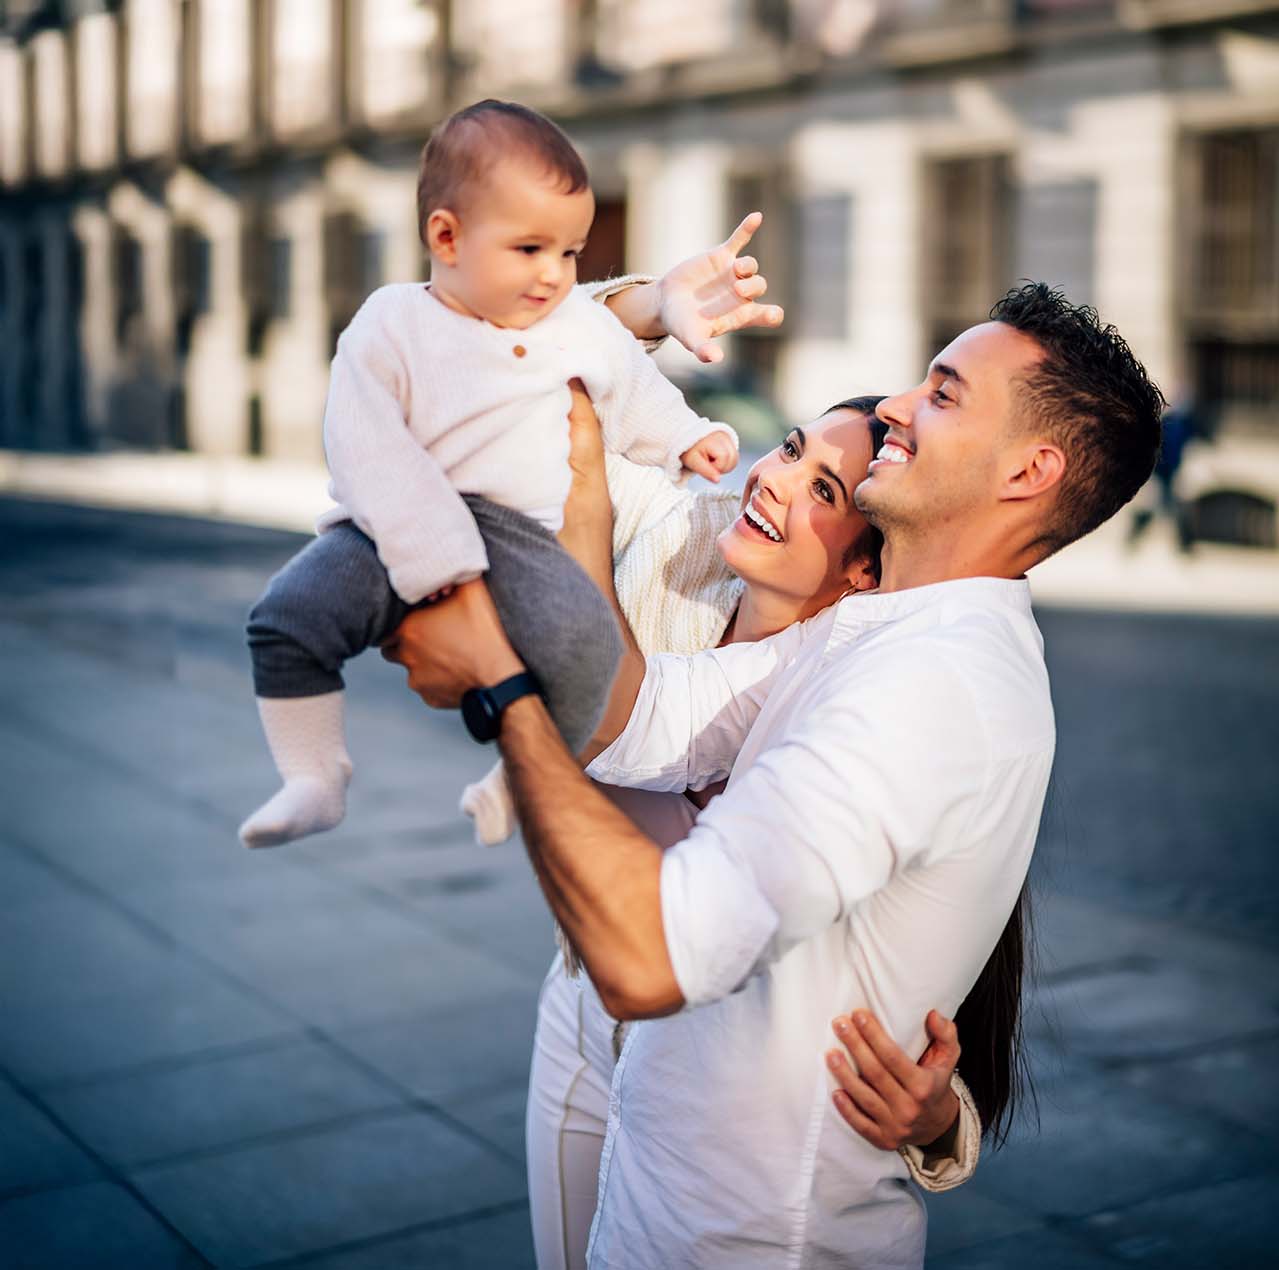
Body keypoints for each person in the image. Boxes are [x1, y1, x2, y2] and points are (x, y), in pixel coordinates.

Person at [385, 280, 1164, 1266]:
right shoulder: (871, 634)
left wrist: (498, 682)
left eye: (943, 392)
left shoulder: (930, 687)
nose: (893, 405)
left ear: (1028, 470)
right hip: (665, 1199)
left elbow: (650, 955)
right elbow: (635, 718)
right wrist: (586, 450)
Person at [514, 392, 984, 1269]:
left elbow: (908, 974)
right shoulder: (680, 546)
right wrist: (652, 307)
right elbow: (540, 383)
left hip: (720, 1116)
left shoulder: (864, 707)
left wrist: (941, 1119)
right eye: (790, 449)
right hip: (584, 1022)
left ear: (865, 571)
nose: (770, 481)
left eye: (824, 490)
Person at [238, 99, 740, 850]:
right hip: (391, 525)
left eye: (569, 254)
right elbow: (363, 442)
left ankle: (518, 774)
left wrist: (688, 439)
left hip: (519, 534)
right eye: (530, 249)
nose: (553, 275)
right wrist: (432, 560)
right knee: (286, 618)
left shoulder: (578, 323)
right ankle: (313, 775)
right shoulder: (392, 321)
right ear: (447, 236)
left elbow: (631, 392)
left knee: (588, 654)